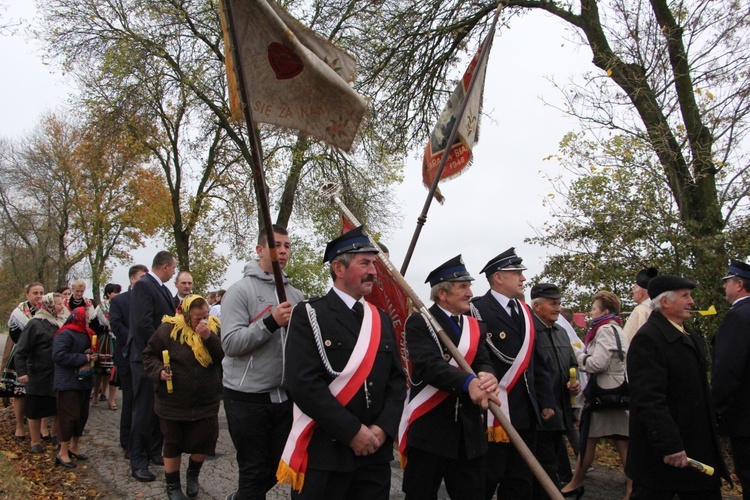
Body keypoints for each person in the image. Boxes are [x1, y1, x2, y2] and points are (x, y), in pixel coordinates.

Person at [279, 226, 406, 499]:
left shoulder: (380, 319)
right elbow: (302, 383)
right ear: (338, 267)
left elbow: (396, 380)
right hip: (327, 456)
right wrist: (352, 432)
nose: (374, 271)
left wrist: (382, 429)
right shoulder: (310, 314)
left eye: (374, 263)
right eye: (365, 263)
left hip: (374, 454)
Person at [399, 255, 499, 499]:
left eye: (469, 286)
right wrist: (469, 382)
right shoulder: (420, 322)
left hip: (468, 433)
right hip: (430, 429)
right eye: (462, 287)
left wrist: (487, 376)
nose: (470, 293)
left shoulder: (475, 326)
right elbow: (429, 366)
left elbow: (483, 359)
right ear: (442, 294)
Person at [626, 275, 731, 499]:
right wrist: (669, 444)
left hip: (696, 446)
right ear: (665, 302)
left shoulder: (689, 335)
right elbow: (648, 399)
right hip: (666, 455)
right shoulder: (649, 339)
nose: (691, 301)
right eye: (685, 296)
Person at [221, 224, 305, 500]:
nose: (282, 251)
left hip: (284, 398)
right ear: (259, 250)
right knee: (255, 471)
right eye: (275, 245)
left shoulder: (295, 295)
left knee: (284, 464)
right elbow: (231, 344)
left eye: (286, 246)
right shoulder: (239, 291)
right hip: (247, 398)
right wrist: (270, 323)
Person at [469, 247, 555, 499]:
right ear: (498, 277)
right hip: (491, 410)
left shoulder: (525, 312)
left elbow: (538, 361)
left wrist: (546, 400)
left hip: (525, 409)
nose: (523, 278)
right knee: (487, 476)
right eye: (516, 272)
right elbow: (473, 357)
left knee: (519, 480)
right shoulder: (476, 310)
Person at [143, 295, 224, 499]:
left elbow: (221, 356)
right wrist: (159, 371)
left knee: (205, 440)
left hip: (206, 400)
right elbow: (149, 355)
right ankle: (173, 486)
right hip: (173, 401)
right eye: (197, 318)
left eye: (205, 316)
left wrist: (208, 337)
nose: (202, 321)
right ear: (186, 315)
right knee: (172, 443)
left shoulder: (213, 328)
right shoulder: (169, 329)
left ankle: (193, 475)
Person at [561, 290, 630, 499]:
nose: (590, 313)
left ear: (605, 311)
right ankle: (630, 490)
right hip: (617, 392)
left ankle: (576, 482)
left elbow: (598, 363)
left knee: (589, 439)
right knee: (621, 441)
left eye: (593, 309)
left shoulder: (605, 330)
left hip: (604, 394)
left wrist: (579, 356)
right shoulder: (618, 328)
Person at [128, 250, 178, 482]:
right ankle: (137, 460)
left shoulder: (163, 289)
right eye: (174, 267)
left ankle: (153, 452)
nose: (175, 271)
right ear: (165, 266)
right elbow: (143, 324)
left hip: (160, 358)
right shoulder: (144, 285)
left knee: (159, 409)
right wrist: (160, 351)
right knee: (144, 410)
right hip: (147, 358)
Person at [530, 283, 580, 497]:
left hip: (562, 413)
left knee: (554, 463)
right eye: (553, 304)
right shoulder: (529, 333)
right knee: (544, 466)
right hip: (540, 415)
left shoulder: (561, 332)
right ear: (537, 306)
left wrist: (574, 381)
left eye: (559, 304)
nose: (558, 309)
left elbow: (572, 364)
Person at [712, 260, 750, 499]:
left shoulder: (738, 318)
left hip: (745, 418)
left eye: (727, 282)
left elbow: (728, 370)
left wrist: (715, 408)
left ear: (739, 284)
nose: (724, 286)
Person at [15, 292, 65, 452]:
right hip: (38, 373)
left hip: (57, 374)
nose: (61, 306)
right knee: (35, 409)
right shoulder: (35, 324)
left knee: (57, 407)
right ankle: (35, 441)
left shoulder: (61, 322)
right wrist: (22, 372)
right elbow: (21, 350)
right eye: (58, 303)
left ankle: (55, 435)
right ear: (49, 305)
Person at [110, 264, 148, 458]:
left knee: (144, 400)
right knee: (130, 400)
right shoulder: (119, 301)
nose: (145, 280)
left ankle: (143, 441)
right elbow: (116, 325)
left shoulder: (148, 298)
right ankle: (127, 442)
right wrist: (134, 339)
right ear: (132, 279)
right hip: (126, 355)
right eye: (142, 277)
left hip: (144, 356)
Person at [52, 307, 99, 468]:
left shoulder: (87, 333)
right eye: (86, 316)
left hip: (84, 381)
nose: (89, 319)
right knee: (69, 417)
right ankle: (63, 451)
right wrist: (84, 357)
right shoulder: (65, 333)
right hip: (67, 381)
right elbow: (58, 356)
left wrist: (92, 356)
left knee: (81, 416)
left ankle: (74, 446)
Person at [4, 282, 45, 440]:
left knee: (40, 391)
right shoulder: (19, 313)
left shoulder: (45, 310)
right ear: (27, 295)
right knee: (20, 393)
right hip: (23, 355)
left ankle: (41, 426)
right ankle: (20, 425)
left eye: (41, 293)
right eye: (35, 293)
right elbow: (15, 336)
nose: (39, 296)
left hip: (42, 357)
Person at [94, 283, 121, 410]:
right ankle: (95, 396)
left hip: (117, 339)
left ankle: (111, 399)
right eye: (115, 292)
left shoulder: (121, 306)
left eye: (118, 292)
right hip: (105, 339)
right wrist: (106, 328)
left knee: (113, 370)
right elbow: (94, 324)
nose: (117, 294)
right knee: (100, 370)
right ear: (109, 293)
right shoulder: (101, 307)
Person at [623, 267, 658, 342]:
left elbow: (627, 340)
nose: (632, 292)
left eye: (634, 288)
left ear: (641, 293)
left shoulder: (640, 310)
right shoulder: (661, 309)